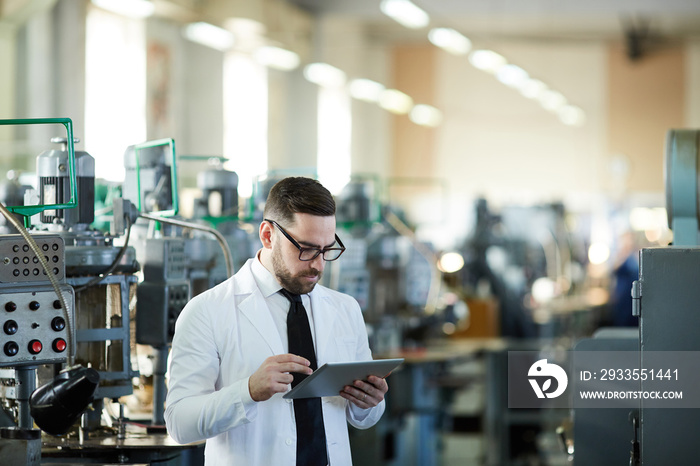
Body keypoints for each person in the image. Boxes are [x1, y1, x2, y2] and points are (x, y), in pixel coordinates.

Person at [165, 177, 388, 466]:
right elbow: (179, 424)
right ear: (268, 235)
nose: (318, 264)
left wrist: (370, 402)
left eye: (327, 250)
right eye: (306, 249)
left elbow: (362, 419)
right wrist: (247, 391)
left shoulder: (345, 309)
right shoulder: (207, 312)